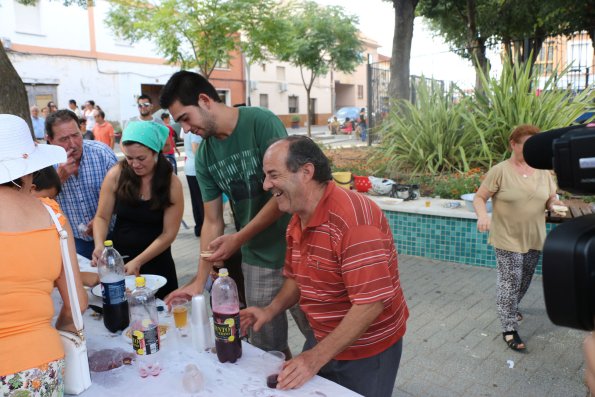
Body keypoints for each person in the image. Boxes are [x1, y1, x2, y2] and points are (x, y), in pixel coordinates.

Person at [241, 136, 409, 396]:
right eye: (265, 176)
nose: (265, 185)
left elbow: (371, 304)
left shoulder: (353, 221)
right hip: (324, 337)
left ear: (306, 172)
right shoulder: (299, 217)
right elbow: (297, 277)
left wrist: (314, 358)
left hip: (368, 348)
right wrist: (269, 310)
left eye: (273, 175)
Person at [160, 70, 312, 356]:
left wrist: (238, 238)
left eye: (185, 118)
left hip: (300, 251)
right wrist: (199, 279)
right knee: (266, 348)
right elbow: (212, 222)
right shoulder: (205, 155)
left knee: (320, 338)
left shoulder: (260, 123)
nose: (186, 129)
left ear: (204, 100)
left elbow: (284, 195)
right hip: (257, 259)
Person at [0, 114, 87, 395]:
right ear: (28, 171)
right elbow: (77, 306)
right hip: (42, 365)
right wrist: (53, 327)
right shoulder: (52, 214)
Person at [473, 124, 564, 352]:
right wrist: (483, 215)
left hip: (534, 236)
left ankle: (511, 308)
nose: (531, 148)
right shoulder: (500, 171)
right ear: (513, 144)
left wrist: (555, 204)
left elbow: (551, 197)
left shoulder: (544, 171)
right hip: (507, 236)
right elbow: (479, 197)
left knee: (523, 279)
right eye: (526, 143)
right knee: (509, 281)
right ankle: (509, 327)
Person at [92, 121, 183, 300]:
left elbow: (168, 234)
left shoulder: (171, 183)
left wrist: (139, 261)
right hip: (121, 261)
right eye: (129, 158)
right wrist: (99, 244)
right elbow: (102, 217)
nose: (134, 164)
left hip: (157, 262)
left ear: (155, 152)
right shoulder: (116, 174)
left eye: (141, 158)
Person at [45, 109, 118, 259]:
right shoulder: (46, 165)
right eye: (64, 139)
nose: (73, 144)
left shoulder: (102, 154)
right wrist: (59, 180)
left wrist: (102, 217)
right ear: (50, 140)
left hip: (113, 234)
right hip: (75, 241)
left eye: (76, 135)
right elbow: (38, 204)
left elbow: (124, 194)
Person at [182, 128, 204, 237]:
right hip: (196, 168)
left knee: (195, 200)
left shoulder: (186, 129)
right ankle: (204, 228)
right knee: (201, 201)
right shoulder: (195, 131)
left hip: (190, 168)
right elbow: (196, 148)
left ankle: (199, 228)